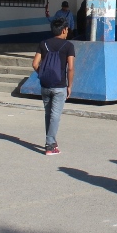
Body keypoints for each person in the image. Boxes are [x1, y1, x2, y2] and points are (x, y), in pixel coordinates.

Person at [31, 17, 75, 155]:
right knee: (55, 115)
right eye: (67, 29)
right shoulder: (68, 46)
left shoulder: (43, 43)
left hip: (45, 85)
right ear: (64, 30)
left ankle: (52, 141)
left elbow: (35, 64)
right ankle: (50, 145)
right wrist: (69, 85)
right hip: (59, 85)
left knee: (48, 114)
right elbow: (70, 68)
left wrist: (42, 74)